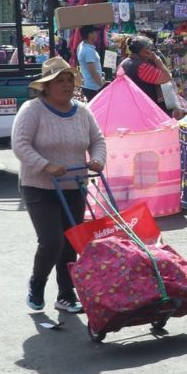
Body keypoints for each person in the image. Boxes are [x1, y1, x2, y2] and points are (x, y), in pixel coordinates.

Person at [11, 56, 107, 313]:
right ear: (45, 86)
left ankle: (66, 294)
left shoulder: (83, 111)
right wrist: (46, 164)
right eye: (59, 81)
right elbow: (20, 145)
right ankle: (37, 283)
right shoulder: (32, 110)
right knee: (51, 241)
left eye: (69, 80)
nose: (66, 85)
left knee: (71, 242)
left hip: (74, 185)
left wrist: (97, 160)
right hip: (39, 187)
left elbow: (98, 140)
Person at [118, 35, 173, 111]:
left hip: (129, 105)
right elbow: (167, 77)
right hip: (144, 108)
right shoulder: (142, 67)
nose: (152, 51)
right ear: (144, 51)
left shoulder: (123, 63)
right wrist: (157, 60)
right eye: (150, 48)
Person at [76, 25, 105, 101]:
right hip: (93, 88)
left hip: (88, 85)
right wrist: (102, 86)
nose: (96, 34)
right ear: (90, 34)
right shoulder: (88, 51)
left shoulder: (81, 45)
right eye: (94, 32)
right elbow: (93, 71)